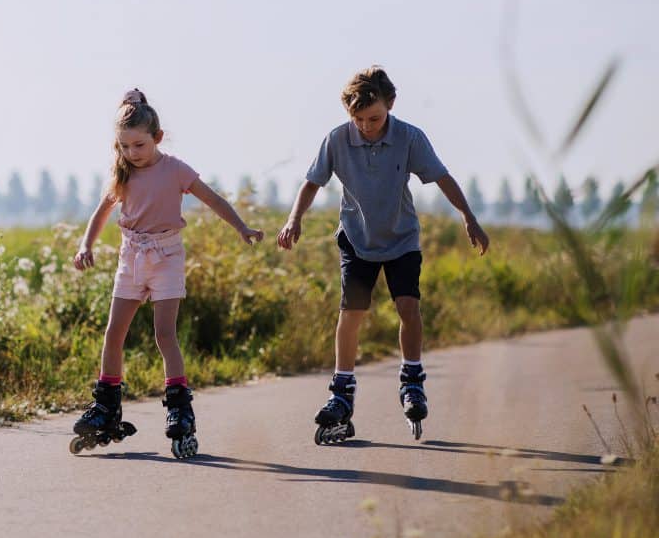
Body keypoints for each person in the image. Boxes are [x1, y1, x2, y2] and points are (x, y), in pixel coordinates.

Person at [277, 66, 489, 442]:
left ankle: (412, 380)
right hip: (357, 239)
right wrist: (294, 219)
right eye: (358, 119)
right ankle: (341, 393)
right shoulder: (337, 140)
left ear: (390, 105)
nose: (366, 126)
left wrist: (468, 217)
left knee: (408, 307)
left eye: (374, 118)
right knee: (351, 313)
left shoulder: (409, 138)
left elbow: (442, 177)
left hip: (401, 239)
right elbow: (312, 183)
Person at [69, 89, 264, 458]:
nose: (131, 153)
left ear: (157, 138)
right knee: (114, 333)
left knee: (164, 333)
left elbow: (214, 200)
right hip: (131, 256)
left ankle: (179, 408)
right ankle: (106, 405)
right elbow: (101, 212)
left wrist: (242, 228)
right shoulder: (122, 173)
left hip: (167, 256)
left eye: (139, 145)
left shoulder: (176, 169)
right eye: (124, 146)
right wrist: (85, 246)